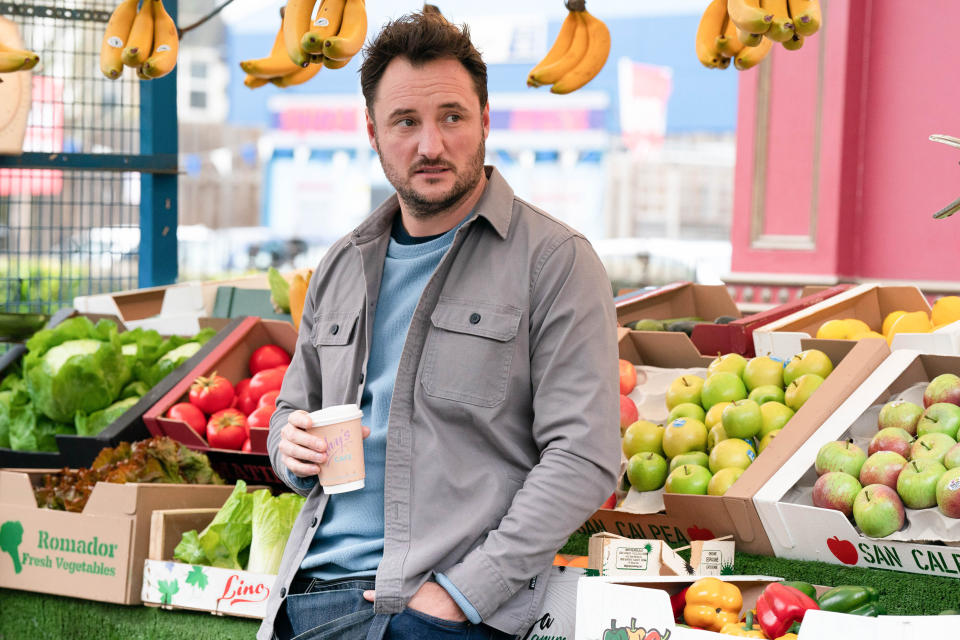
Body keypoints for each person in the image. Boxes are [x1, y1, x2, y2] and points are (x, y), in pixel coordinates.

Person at [259, 11, 620, 640]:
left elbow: (585, 456)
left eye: (451, 117)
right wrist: (288, 443)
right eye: (406, 122)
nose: (431, 145)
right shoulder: (341, 264)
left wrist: (462, 594)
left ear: (485, 117)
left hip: (430, 615)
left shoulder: (555, 261)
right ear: (372, 132)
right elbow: (294, 408)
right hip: (305, 599)